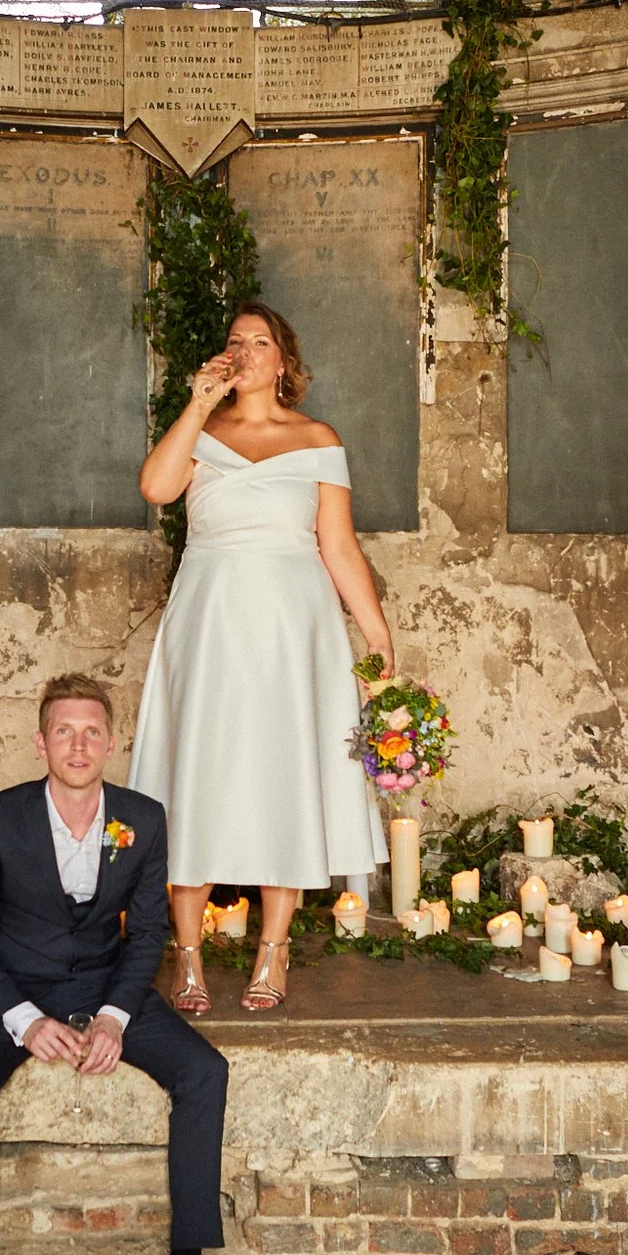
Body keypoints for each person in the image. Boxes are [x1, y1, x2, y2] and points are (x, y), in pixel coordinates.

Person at [0, 673, 255, 1255]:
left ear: (111, 741)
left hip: (108, 988)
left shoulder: (142, 817)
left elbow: (145, 938)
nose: (78, 744)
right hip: (10, 993)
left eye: (92, 732)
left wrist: (113, 1016)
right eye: (64, 731)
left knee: (206, 1072)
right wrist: (22, 1020)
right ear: (41, 741)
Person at [131, 303, 393, 1013]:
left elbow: (337, 545)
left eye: (260, 342)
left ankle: (273, 951)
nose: (245, 351)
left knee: (286, 773)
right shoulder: (202, 432)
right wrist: (196, 404)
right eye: (234, 342)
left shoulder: (317, 439)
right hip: (210, 619)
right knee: (199, 773)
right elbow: (157, 488)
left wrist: (376, 631)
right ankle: (186, 957)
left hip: (292, 625)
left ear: (284, 361)